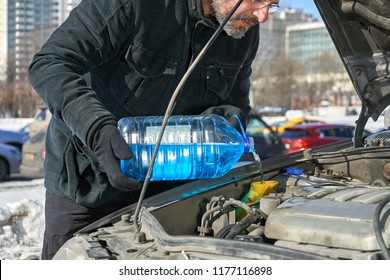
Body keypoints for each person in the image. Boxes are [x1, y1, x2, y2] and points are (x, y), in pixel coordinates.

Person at [28, 0, 280, 260]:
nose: (262, 17)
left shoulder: (241, 30)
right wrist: (95, 128)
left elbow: (238, 103)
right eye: (257, 0)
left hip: (170, 192)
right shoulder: (134, 4)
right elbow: (51, 63)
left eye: (272, 5)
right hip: (89, 186)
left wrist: (227, 119)